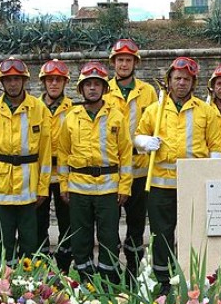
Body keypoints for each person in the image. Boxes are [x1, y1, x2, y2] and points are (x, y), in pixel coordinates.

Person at [135, 57, 221, 288]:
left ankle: (192, 278)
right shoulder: (155, 110)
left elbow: (215, 146)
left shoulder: (206, 111)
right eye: (177, 78)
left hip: (193, 183)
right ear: (169, 81)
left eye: (186, 79)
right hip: (160, 185)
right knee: (161, 235)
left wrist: (212, 177)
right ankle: (164, 280)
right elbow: (137, 138)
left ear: (193, 83)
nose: (181, 83)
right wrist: (144, 142)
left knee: (193, 234)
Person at [59, 61, 132, 282]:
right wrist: (64, 184)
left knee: (109, 236)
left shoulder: (116, 116)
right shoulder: (71, 117)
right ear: (81, 89)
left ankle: (110, 281)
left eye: (97, 84)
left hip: (108, 189)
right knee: (81, 237)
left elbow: (125, 154)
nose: (92, 88)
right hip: (78, 188)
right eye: (88, 84)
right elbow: (63, 153)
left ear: (104, 89)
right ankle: (86, 281)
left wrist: (125, 186)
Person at [0, 58, 51, 265]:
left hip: (29, 189)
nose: (12, 84)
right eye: (8, 80)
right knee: (4, 242)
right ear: (1, 83)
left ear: (24, 81)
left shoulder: (39, 109)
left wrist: (43, 187)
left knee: (30, 241)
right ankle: (6, 284)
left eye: (16, 79)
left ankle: (29, 285)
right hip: (1, 188)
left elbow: (45, 153)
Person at [105, 38, 157, 279]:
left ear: (135, 63)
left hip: (139, 169)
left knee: (136, 226)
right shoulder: (104, 90)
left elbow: (156, 125)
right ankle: (112, 273)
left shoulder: (148, 92)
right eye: (120, 60)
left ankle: (134, 273)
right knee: (109, 226)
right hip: (112, 170)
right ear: (113, 63)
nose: (124, 64)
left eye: (128, 60)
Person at [37, 59, 74, 273]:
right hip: (39, 173)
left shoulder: (73, 109)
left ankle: (63, 268)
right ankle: (41, 269)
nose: (54, 84)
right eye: (50, 80)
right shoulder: (33, 107)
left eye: (58, 80)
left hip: (63, 174)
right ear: (44, 82)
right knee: (38, 224)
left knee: (66, 224)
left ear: (64, 83)